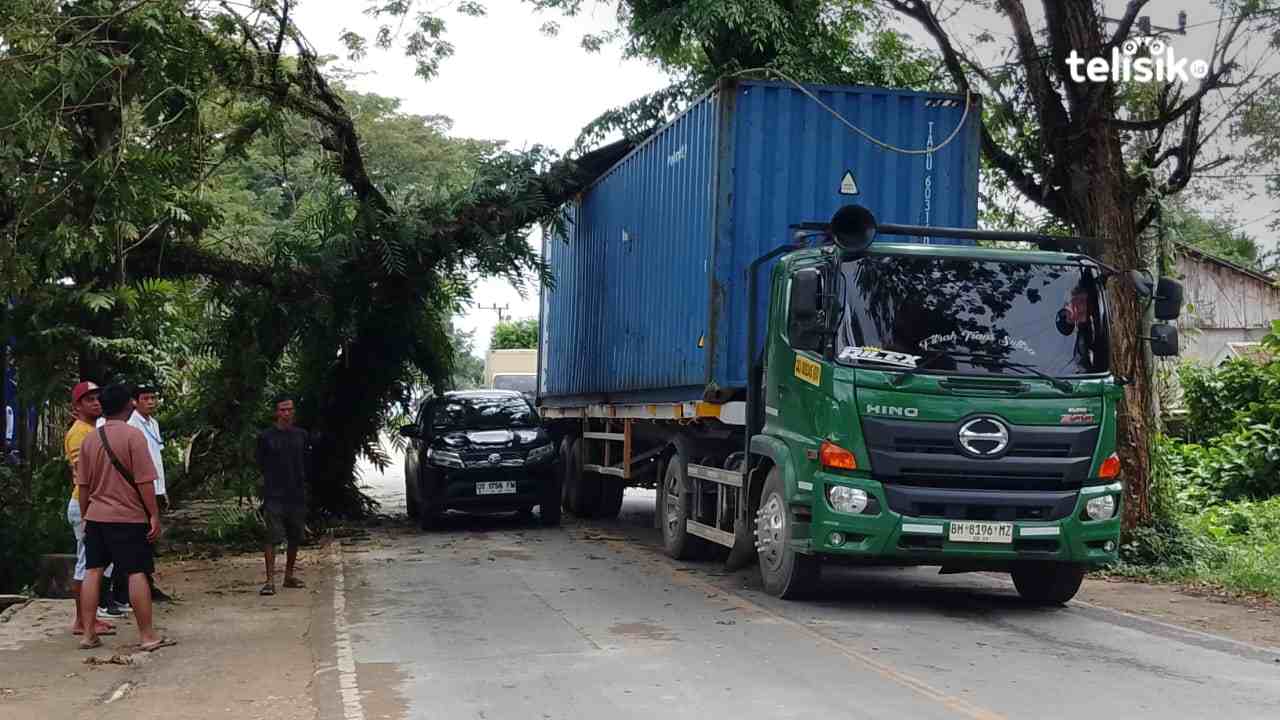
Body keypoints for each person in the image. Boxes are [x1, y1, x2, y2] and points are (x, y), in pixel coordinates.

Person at [75, 383, 173, 651]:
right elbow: (144, 482)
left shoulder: (90, 439)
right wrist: (153, 515)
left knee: (93, 570)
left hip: (96, 516)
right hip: (128, 517)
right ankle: (147, 635)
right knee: (136, 572)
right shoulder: (133, 437)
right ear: (128, 405)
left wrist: (86, 515)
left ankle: (87, 634)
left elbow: (83, 486)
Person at [64, 381, 117, 637]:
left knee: (92, 563)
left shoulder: (92, 430)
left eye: (97, 398)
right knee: (87, 564)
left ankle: (88, 618)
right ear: (77, 406)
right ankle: (82, 621)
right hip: (85, 503)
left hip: (94, 502)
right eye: (89, 399)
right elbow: (82, 475)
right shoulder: (79, 433)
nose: (95, 402)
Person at [255, 395, 311, 596]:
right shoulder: (266, 437)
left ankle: (289, 576)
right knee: (272, 537)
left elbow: (306, 462)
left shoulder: (301, 435)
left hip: (296, 493)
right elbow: (260, 464)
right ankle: (269, 580)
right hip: (274, 494)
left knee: (294, 536)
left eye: (289, 409)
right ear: (276, 412)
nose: (286, 413)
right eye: (282, 410)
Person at [127, 383, 173, 603]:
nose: (151, 402)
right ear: (135, 401)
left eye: (153, 398)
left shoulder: (153, 423)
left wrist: (162, 489)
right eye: (145, 398)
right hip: (141, 488)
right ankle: (141, 584)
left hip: (156, 486)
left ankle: (148, 583)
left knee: (153, 537)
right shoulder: (131, 424)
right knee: (142, 537)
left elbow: (156, 457)